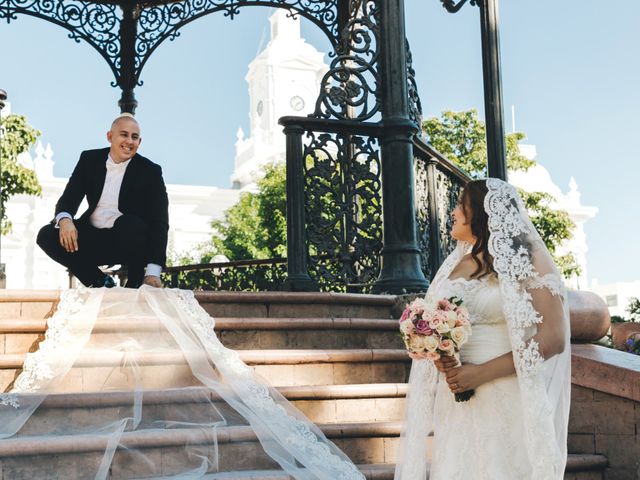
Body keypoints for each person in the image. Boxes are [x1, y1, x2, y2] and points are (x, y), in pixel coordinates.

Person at [395, 178, 571, 480]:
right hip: (458, 399)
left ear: (481, 211)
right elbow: (442, 329)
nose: (453, 212)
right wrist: (439, 354)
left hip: (505, 389)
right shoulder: (454, 265)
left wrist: (480, 373)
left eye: (460, 205)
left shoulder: (528, 258)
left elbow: (554, 338)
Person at [36, 114, 168, 288]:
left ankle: (135, 282)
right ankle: (99, 281)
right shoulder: (89, 160)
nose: (129, 141)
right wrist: (65, 220)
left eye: (134, 137)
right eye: (124, 134)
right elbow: (68, 199)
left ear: (139, 142)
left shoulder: (150, 171)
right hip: (92, 237)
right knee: (46, 235)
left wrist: (153, 273)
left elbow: (159, 222)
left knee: (131, 223)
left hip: (126, 241)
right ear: (110, 136)